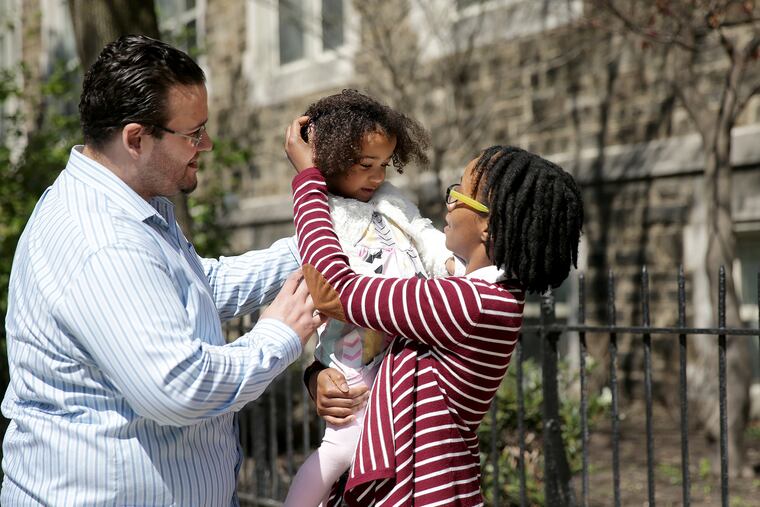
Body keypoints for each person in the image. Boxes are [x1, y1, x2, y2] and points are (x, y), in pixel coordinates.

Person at [1, 35, 321, 506]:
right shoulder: (103, 238)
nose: (206, 145)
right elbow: (179, 387)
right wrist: (278, 335)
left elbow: (194, 288)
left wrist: (315, 240)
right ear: (136, 139)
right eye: (193, 133)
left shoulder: (129, 206)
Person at [285, 115, 584, 506]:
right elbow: (385, 349)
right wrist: (318, 374)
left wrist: (308, 180)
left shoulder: (470, 305)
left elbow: (337, 291)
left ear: (488, 228)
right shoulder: (478, 294)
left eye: (462, 192)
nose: (451, 197)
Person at [284, 90, 457, 507]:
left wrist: (449, 265)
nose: (377, 176)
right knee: (344, 449)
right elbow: (325, 274)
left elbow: (424, 232)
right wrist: (305, 172)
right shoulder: (319, 210)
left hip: (404, 349)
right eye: (365, 165)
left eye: (384, 164)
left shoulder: (391, 200)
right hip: (354, 356)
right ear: (332, 156)